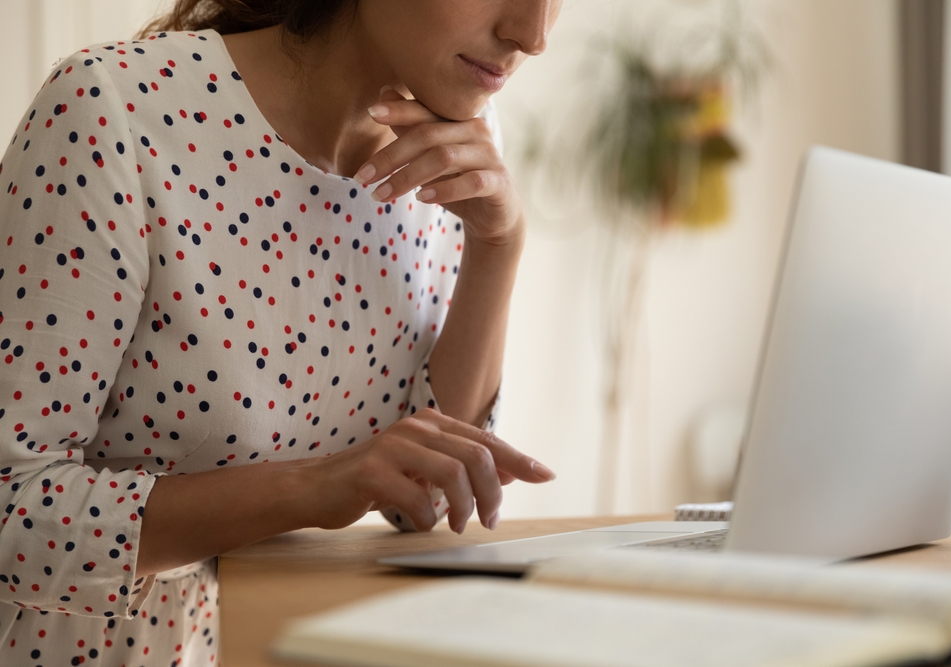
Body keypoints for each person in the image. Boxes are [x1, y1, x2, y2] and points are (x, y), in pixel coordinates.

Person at [0, 0, 562, 662]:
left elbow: (426, 497)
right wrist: (313, 486)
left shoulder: (451, 149)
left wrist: (499, 242)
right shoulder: (113, 111)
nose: (533, 33)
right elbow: (14, 510)